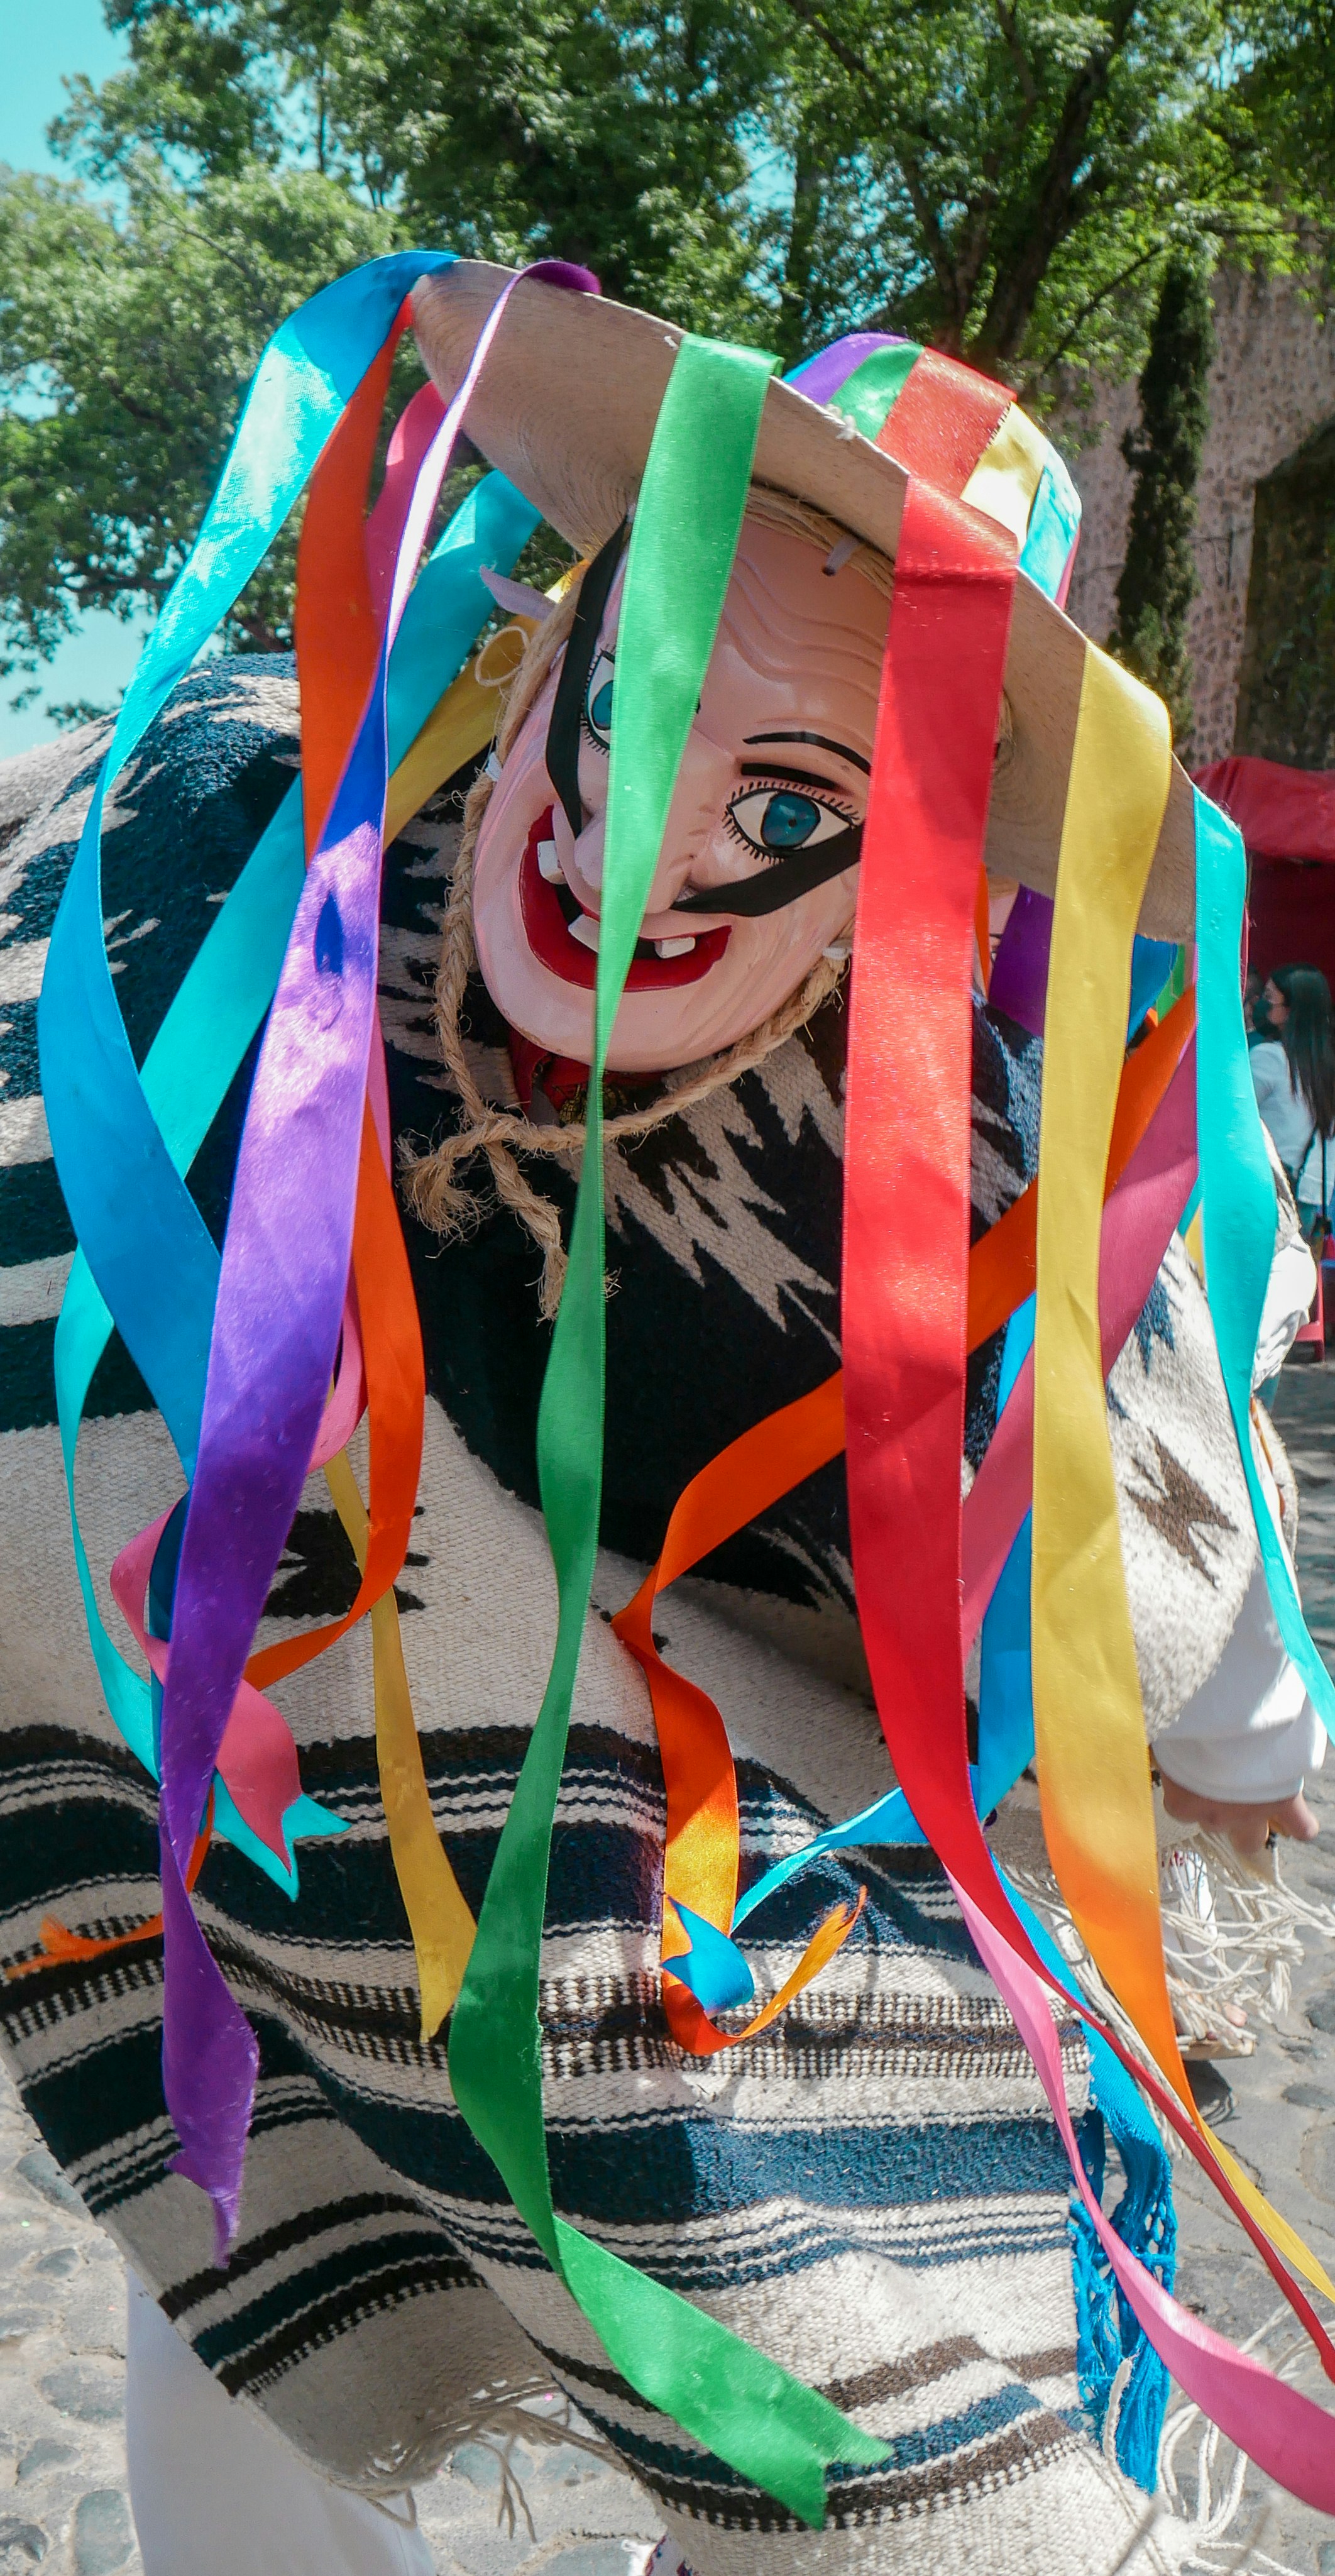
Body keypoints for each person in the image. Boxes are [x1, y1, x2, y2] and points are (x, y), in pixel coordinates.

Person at [1, 255, 1332, 2576]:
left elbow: (1179, 1609)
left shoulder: (1028, 1213)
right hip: (284, 1874)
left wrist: (1235, 1742)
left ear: (918, 852)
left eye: (799, 796)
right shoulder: (243, 942)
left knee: (780, 2360)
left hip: (734, 1954)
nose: (645, 852)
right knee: (232, 2282)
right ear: (552, 631)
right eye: (643, 690)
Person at [1251, 962, 1335, 1236]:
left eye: (1269, 998)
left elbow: (1230, 1113)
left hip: (1266, 1190)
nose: (1260, 1005)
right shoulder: (1326, 1067)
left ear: (1291, 1011)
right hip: (1310, 1196)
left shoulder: (1270, 1058)